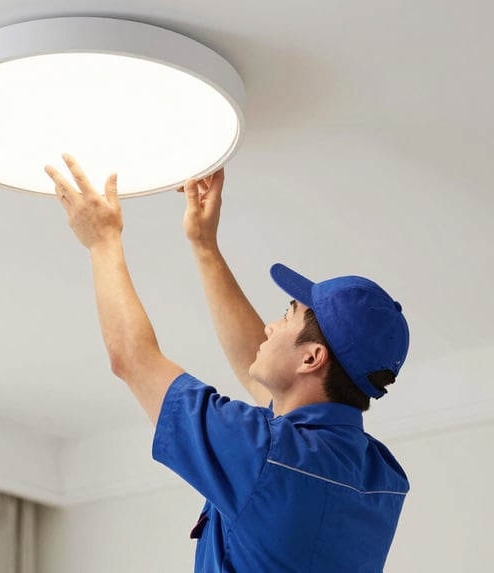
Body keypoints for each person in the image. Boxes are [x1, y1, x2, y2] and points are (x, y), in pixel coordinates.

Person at [45, 154, 410, 573]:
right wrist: (204, 247)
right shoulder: (380, 478)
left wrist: (102, 241)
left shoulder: (267, 456)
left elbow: (132, 358)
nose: (271, 328)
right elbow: (281, 389)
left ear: (312, 358)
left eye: (287, 315)